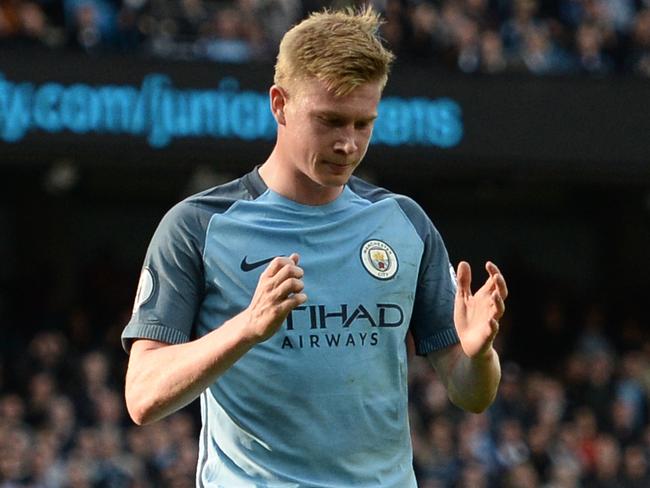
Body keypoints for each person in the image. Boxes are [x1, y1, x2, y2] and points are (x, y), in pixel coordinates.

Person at [121, 6, 508, 487]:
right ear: (279, 103)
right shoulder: (198, 227)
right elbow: (142, 396)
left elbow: (472, 395)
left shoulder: (403, 223)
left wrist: (478, 355)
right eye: (330, 121)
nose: (348, 144)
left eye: (363, 124)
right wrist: (246, 328)